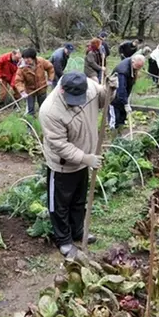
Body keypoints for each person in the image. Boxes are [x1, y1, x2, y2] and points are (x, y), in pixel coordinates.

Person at [39, 72, 107, 258]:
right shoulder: (50, 111)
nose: (76, 102)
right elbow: (59, 145)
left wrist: (110, 90)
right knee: (60, 205)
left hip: (84, 159)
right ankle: (64, 240)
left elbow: (103, 100)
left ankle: (78, 231)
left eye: (79, 98)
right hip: (62, 165)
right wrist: (85, 158)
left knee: (79, 200)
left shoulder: (90, 87)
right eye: (72, 99)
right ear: (61, 90)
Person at [14, 48, 55, 116]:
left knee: (43, 108)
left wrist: (50, 79)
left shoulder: (41, 61)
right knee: (30, 110)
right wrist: (22, 91)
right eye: (24, 58)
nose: (26, 60)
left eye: (28, 59)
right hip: (30, 91)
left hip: (42, 88)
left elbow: (50, 68)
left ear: (33, 58)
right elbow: (18, 81)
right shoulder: (22, 68)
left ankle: (43, 122)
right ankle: (29, 125)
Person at [109, 54, 145, 129]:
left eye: (140, 67)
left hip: (122, 96)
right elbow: (121, 89)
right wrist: (126, 103)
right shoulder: (122, 71)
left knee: (122, 116)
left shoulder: (131, 64)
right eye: (138, 67)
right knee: (115, 118)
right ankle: (113, 133)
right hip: (114, 96)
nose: (138, 69)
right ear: (133, 62)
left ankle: (120, 130)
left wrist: (126, 100)